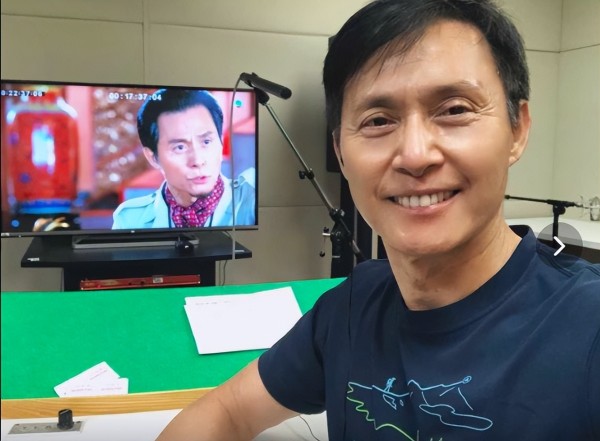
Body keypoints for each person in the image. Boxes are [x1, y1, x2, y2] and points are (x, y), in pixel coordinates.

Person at [156, 1, 600, 440]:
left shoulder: (586, 327)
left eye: (455, 109)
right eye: (378, 120)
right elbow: (229, 410)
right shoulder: (351, 310)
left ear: (517, 129)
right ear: (340, 153)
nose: (415, 155)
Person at [112, 89, 256, 229]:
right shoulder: (130, 219)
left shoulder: (252, 201)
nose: (198, 161)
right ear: (153, 158)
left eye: (206, 142)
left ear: (221, 142)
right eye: (180, 147)